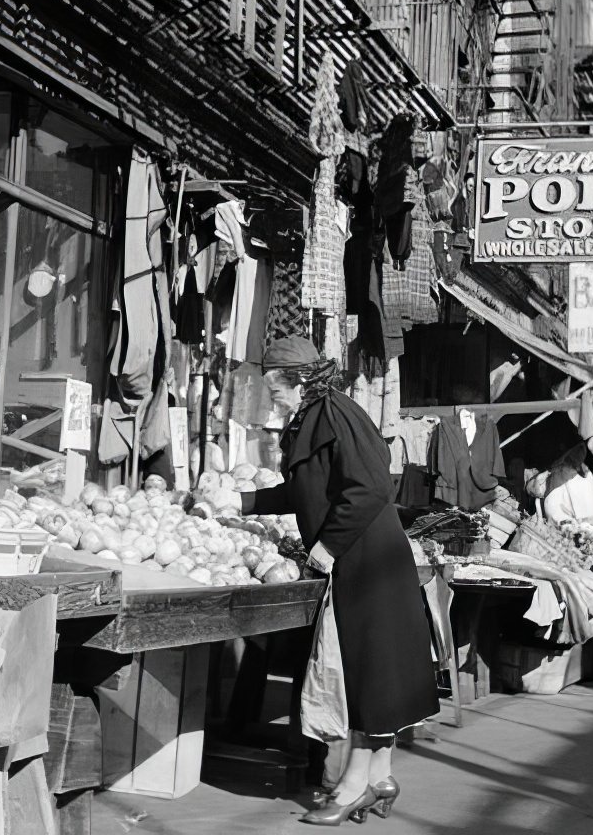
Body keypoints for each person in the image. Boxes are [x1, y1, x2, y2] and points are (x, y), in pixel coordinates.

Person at [240, 335, 438, 826]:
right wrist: (245, 504)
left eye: (276, 389)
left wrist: (328, 546)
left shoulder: (337, 413)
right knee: (374, 672)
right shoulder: (315, 417)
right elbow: (309, 489)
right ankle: (379, 778)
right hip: (361, 557)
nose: (274, 399)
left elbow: (371, 488)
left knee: (369, 673)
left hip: (368, 559)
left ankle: (351, 786)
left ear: (301, 379)